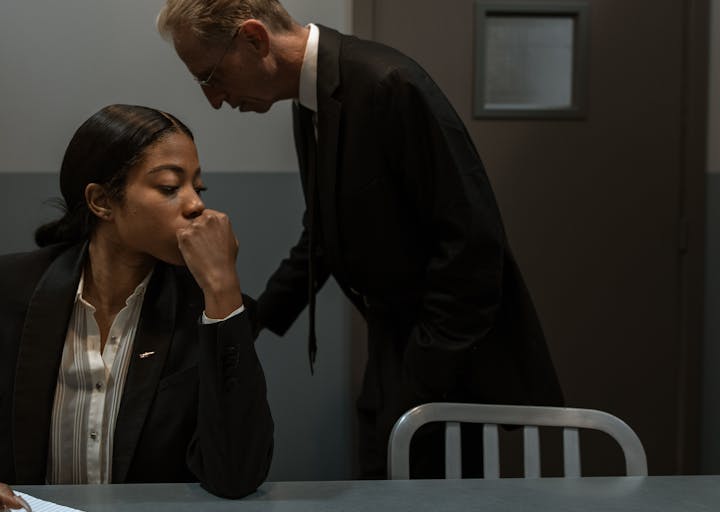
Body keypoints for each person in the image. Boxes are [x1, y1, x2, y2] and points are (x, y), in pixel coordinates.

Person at [157, 0, 564, 478]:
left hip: (441, 354)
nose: (214, 99)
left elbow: (474, 243)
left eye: (210, 77)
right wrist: (255, 318)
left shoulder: (388, 84)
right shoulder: (311, 98)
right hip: (396, 343)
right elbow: (324, 232)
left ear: (254, 39)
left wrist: (424, 372)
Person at [0, 104, 274, 512]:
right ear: (101, 202)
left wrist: (221, 290)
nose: (195, 205)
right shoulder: (7, 289)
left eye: (197, 188)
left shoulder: (212, 309)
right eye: (169, 187)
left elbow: (236, 475)